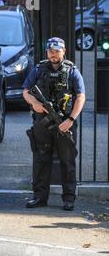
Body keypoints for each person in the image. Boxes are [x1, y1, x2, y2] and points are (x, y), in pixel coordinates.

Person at [22, 37, 86, 211]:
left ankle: (69, 198)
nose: (53, 55)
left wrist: (70, 120)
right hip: (42, 123)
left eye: (57, 51)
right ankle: (39, 197)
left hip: (65, 122)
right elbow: (26, 92)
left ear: (63, 51)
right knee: (41, 159)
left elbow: (80, 96)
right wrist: (34, 103)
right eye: (51, 51)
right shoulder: (39, 69)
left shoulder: (72, 71)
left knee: (67, 161)